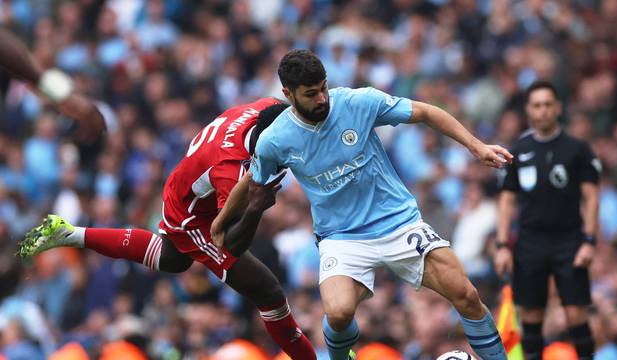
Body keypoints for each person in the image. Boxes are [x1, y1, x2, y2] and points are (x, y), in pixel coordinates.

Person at [213, 49, 512, 360]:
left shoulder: (357, 102)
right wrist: (221, 222)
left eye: (323, 88)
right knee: (339, 313)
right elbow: (251, 180)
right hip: (342, 238)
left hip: (398, 222)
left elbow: (425, 112)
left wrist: (477, 147)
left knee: (466, 294)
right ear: (288, 94)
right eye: (311, 94)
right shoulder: (275, 139)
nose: (321, 99)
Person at [17, 98, 317, 359]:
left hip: (187, 184)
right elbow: (229, 241)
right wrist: (255, 207)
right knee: (267, 290)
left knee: (174, 259)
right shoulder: (233, 171)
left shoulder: (266, 110)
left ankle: (71, 234)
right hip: (194, 214)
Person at [493, 81, 600, 360]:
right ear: (529, 110)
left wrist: (589, 240)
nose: (543, 111)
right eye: (537, 105)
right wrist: (503, 244)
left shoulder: (577, 149)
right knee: (531, 314)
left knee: (576, 312)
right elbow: (506, 199)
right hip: (530, 242)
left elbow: (591, 196)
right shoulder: (518, 149)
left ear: (558, 108)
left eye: (548, 104)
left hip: (570, 240)